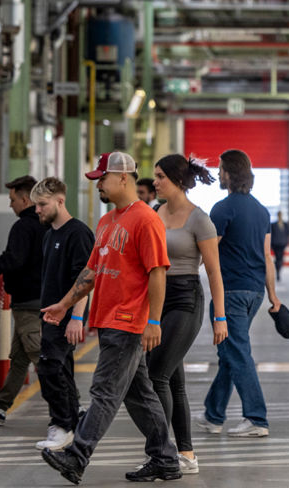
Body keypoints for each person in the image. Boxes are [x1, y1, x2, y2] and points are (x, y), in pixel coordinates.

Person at [39, 151, 181, 484]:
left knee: (104, 391)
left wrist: (154, 321)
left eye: (101, 179)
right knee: (139, 395)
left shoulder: (146, 219)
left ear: (122, 178)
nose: (98, 186)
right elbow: (92, 272)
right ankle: (165, 459)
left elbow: (157, 273)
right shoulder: (107, 222)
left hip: (128, 320)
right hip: (106, 319)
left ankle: (77, 455)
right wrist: (64, 304)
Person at [146, 154, 228, 475]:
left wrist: (219, 316)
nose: (155, 182)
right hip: (158, 299)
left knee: (157, 375)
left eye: (160, 176)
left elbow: (215, 272)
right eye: (154, 176)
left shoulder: (199, 220)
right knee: (174, 382)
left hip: (185, 300)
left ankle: (162, 454)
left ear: (178, 181)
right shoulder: (155, 213)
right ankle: (186, 454)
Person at [197, 149, 283, 438]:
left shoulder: (222, 209)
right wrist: (272, 295)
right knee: (231, 353)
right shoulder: (261, 211)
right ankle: (213, 414)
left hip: (231, 291)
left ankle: (256, 418)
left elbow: (207, 252)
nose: (219, 173)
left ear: (228, 173)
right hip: (254, 292)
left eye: (221, 168)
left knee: (238, 353)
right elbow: (266, 256)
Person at [0, 175, 48, 427]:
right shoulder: (47, 223)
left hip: (29, 303)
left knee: (42, 359)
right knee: (19, 359)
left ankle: (71, 409)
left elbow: (12, 261)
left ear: (25, 199)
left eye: (12, 199)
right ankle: (0, 408)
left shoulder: (23, 227)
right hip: (39, 300)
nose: (10, 205)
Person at [29, 177, 93, 451]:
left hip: (67, 314)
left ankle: (62, 425)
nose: (37, 210)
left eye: (42, 204)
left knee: (49, 368)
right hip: (51, 315)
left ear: (60, 201)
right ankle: (72, 422)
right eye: (36, 205)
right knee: (62, 369)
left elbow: (86, 279)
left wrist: (77, 317)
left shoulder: (78, 233)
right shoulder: (49, 236)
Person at [269, 211, 289, 281]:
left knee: (280, 258)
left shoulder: (285, 224)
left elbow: (288, 234)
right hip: (275, 244)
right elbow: (271, 235)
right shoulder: (273, 225)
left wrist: (287, 242)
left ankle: (278, 270)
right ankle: (277, 270)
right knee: (278, 258)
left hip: (282, 244)